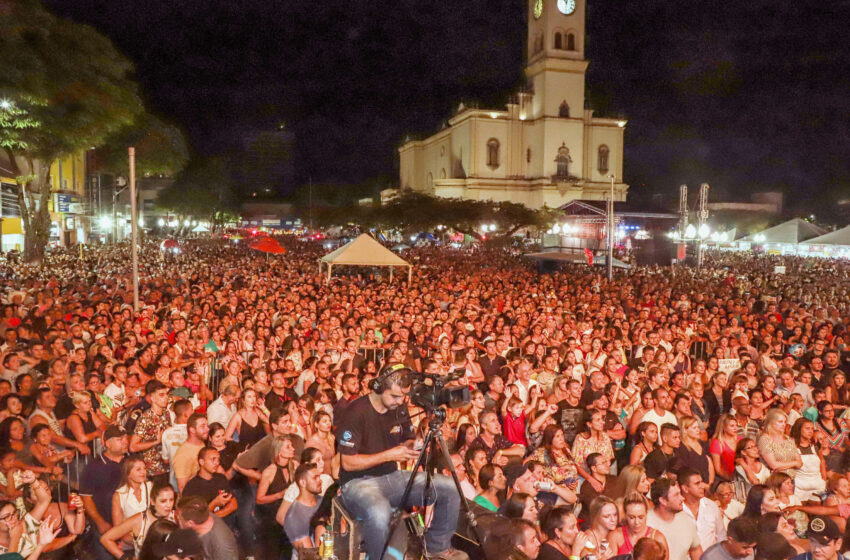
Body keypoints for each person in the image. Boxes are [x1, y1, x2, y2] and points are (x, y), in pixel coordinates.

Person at [335, 365, 465, 560]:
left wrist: (413, 445)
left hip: (392, 477)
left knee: (449, 487)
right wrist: (389, 455)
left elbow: (407, 438)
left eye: (403, 396)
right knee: (380, 513)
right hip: (358, 483)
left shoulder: (400, 408)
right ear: (378, 388)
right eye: (395, 396)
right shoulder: (355, 411)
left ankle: (437, 547)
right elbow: (348, 463)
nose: (400, 401)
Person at [80, 425, 129, 560]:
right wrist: (99, 521)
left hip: (128, 526)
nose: (125, 442)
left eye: (126, 438)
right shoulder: (94, 467)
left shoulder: (130, 462)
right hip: (105, 526)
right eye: (120, 439)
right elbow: (86, 497)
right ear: (107, 443)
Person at [101, 483, 176, 559]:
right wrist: (126, 558)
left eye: (171, 500)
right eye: (163, 501)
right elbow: (106, 539)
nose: (168, 505)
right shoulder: (139, 520)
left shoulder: (176, 517)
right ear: (152, 501)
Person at [647, 478, 703, 560]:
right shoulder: (645, 522)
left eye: (680, 494)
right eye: (676, 495)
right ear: (663, 501)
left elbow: (696, 551)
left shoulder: (686, 520)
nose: (682, 498)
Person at [182, 447, 238, 520]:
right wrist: (214, 503)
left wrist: (214, 516)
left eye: (218, 459)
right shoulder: (191, 487)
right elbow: (195, 518)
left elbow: (233, 504)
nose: (217, 463)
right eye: (213, 459)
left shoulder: (221, 478)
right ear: (201, 462)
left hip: (225, 524)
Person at [679, 468, 726, 551]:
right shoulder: (677, 510)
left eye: (701, 482)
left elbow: (721, 536)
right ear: (685, 488)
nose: (702, 486)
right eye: (697, 483)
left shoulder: (712, 506)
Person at [280, 462, 323, 552]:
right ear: (302, 483)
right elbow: (309, 556)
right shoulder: (294, 517)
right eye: (315, 477)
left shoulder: (322, 501)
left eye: (319, 476)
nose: (320, 480)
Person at [609, 493, 668, 558]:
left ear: (646, 514)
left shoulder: (658, 538)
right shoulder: (616, 536)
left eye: (641, 517)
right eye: (632, 517)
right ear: (625, 515)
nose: (636, 522)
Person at [573, 496, 619, 560]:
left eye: (615, 515)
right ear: (596, 517)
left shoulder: (617, 533)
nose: (613, 519)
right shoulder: (588, 539)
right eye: (607, 516)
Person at [172, 413, 209, 493]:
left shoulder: (202, 443)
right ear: (192, 430)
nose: (207, 429)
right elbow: (183, 489)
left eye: (207, 425)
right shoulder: (182, 456)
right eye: (202, 426)